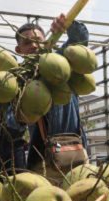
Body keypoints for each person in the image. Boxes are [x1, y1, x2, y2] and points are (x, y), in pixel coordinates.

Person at [12, 15, 89, 174]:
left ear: (47, 41)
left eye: (38, 40)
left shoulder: (61, 60)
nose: (34, 45)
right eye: (27, 43)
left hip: (75, 149)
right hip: (42, 158)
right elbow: (13, 123)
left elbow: (80, 39)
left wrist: (68, 24)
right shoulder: (19, 81)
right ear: (18, 50)